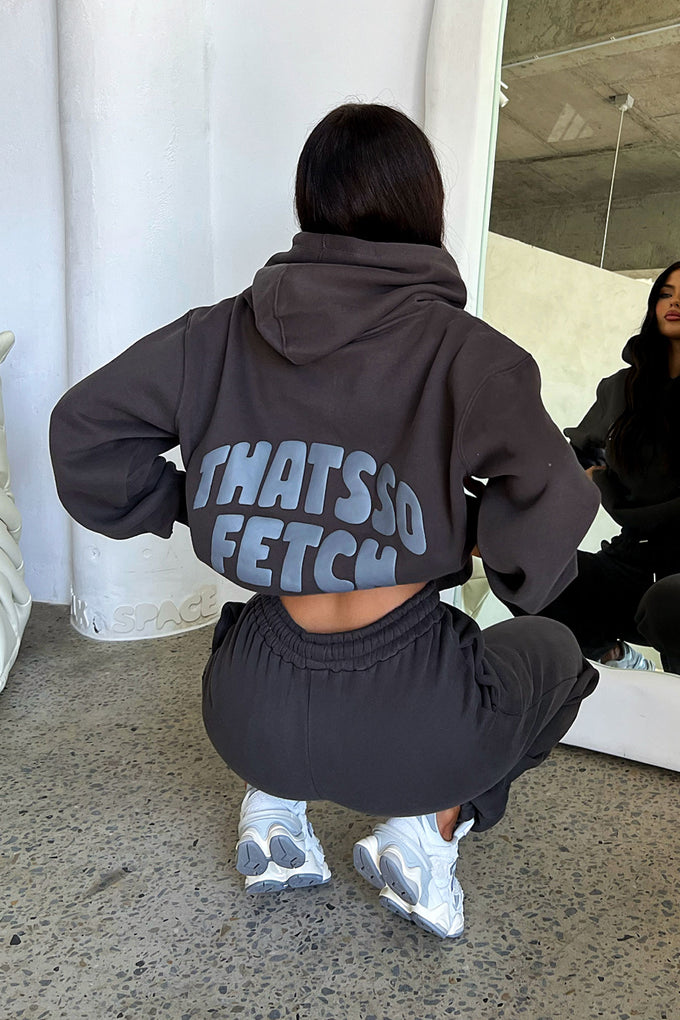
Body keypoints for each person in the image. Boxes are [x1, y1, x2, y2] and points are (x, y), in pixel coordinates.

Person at [50, 103, 600, 939]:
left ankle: (273, 805)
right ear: (426, 206)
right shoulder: (471, 354)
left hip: (247, 715)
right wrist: (489, 542)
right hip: (417, 723)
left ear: (309, 201)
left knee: (252, 619)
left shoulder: (215, 334)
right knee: (557, 655)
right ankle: (431, 828)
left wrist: (202, 502)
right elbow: (555, 492)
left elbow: (83, 433)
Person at [530, 262, 680, 676]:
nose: (674, 303)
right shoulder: (621, 388)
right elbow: (574, 457)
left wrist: (607, 489)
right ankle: (614, 656)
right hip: (633, 556)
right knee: (527, 567)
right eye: (666, 293)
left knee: (668, 603)